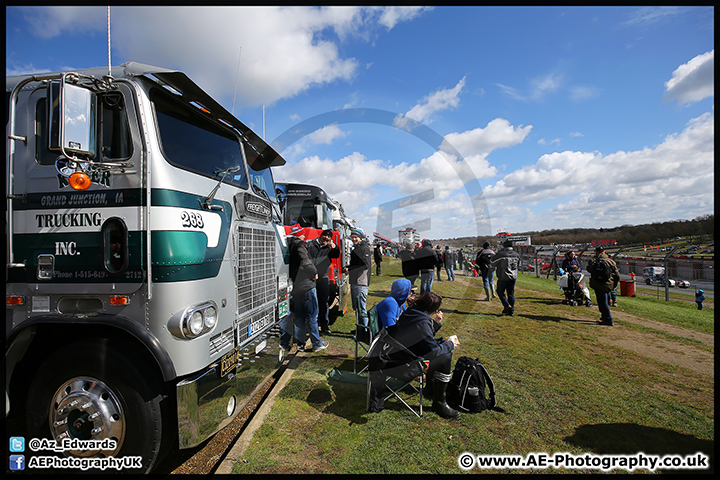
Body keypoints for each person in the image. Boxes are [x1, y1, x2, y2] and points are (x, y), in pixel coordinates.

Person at [391, 292, 460, 419]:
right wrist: (449, 345)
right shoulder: (422, 321)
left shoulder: (412, 312)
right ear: (433, 310)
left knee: (442, 349)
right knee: (444, 356)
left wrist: (435, 324)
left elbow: (422, 338)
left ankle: (430, 389)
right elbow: (432, 352)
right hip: (405, 364)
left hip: (399, 354)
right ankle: (439, 402)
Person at [284, 223, 328, 353]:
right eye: (302, 233)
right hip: (307, 285)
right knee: (312, 316)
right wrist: (314, 272)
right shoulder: (300, 245)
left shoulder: (288, 245)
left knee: (299, 317)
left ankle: (300, 344)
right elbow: (305, 261)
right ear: (299, 234)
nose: (304, 235)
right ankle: (316, 344)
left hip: (296, 286)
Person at [306, 229, 340, 335]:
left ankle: (324, 326)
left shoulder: (330, 248)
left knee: (323, 302)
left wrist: (335, 247)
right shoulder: (311, 244)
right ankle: (311, 326)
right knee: (309, 302)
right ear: (321, 236)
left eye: (329, 237)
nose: (326, 238)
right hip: (310, 278)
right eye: (325, 236)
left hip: (322, 278)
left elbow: (336, 254)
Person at [587, 246, 621, 326]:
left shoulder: (594, 261)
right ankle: (604, 316)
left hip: (599, 284)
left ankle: (608, 319)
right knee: (605, 300)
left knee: (602, 302)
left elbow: (589, 269)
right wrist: (614, 284)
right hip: (609, 284)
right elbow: (617, 274)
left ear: (596, 252)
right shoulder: (610, 261)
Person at [346, 228, 372, 326]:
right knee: (356, 308)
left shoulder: (364, 248)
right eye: (352, 237)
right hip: (354, 282)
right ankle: (359, 329)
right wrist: (348, 268)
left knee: (361, 308)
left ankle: (365, 330)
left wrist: (350, 269)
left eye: (355, 237)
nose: (353, 239)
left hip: (361, 282)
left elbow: (365, 265)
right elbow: (356, 264)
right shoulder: (356, 249)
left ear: (360, 238)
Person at [490, 240, 520, 316]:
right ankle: (511, 311)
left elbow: (492, 262)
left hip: (503, 276)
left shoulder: (502, 254)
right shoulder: (516, 254)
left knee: (500, 291)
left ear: (504, 246)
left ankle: (506, 305)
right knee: (510, 293)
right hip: (513, 276)